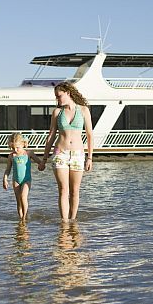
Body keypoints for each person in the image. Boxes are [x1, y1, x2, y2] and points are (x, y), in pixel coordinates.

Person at [38, 82, 93, 221]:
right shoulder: (57, 112)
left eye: (59, 96)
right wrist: (44, 159)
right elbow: (51, 136)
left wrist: (90, 158)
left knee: (74, 191)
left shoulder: (84, 110)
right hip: (60, 154)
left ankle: (73, 220)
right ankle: (65, 222)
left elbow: (90, 135)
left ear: (68, 93)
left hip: (78, 155)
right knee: (63, 190)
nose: (57, 99)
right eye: (56, 97)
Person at [3, 133, 43, 221]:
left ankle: (24, 217)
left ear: (23, 144)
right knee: (18, 200)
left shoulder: (28, 153)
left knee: (23, 197)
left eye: (17, 147)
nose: (15, 150)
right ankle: (21, 218)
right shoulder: (11, 156)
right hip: (16, 181)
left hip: (26, 180)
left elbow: (39, 161)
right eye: (13, 148)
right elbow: (8, 169)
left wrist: (41, 165)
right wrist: (5, 179)